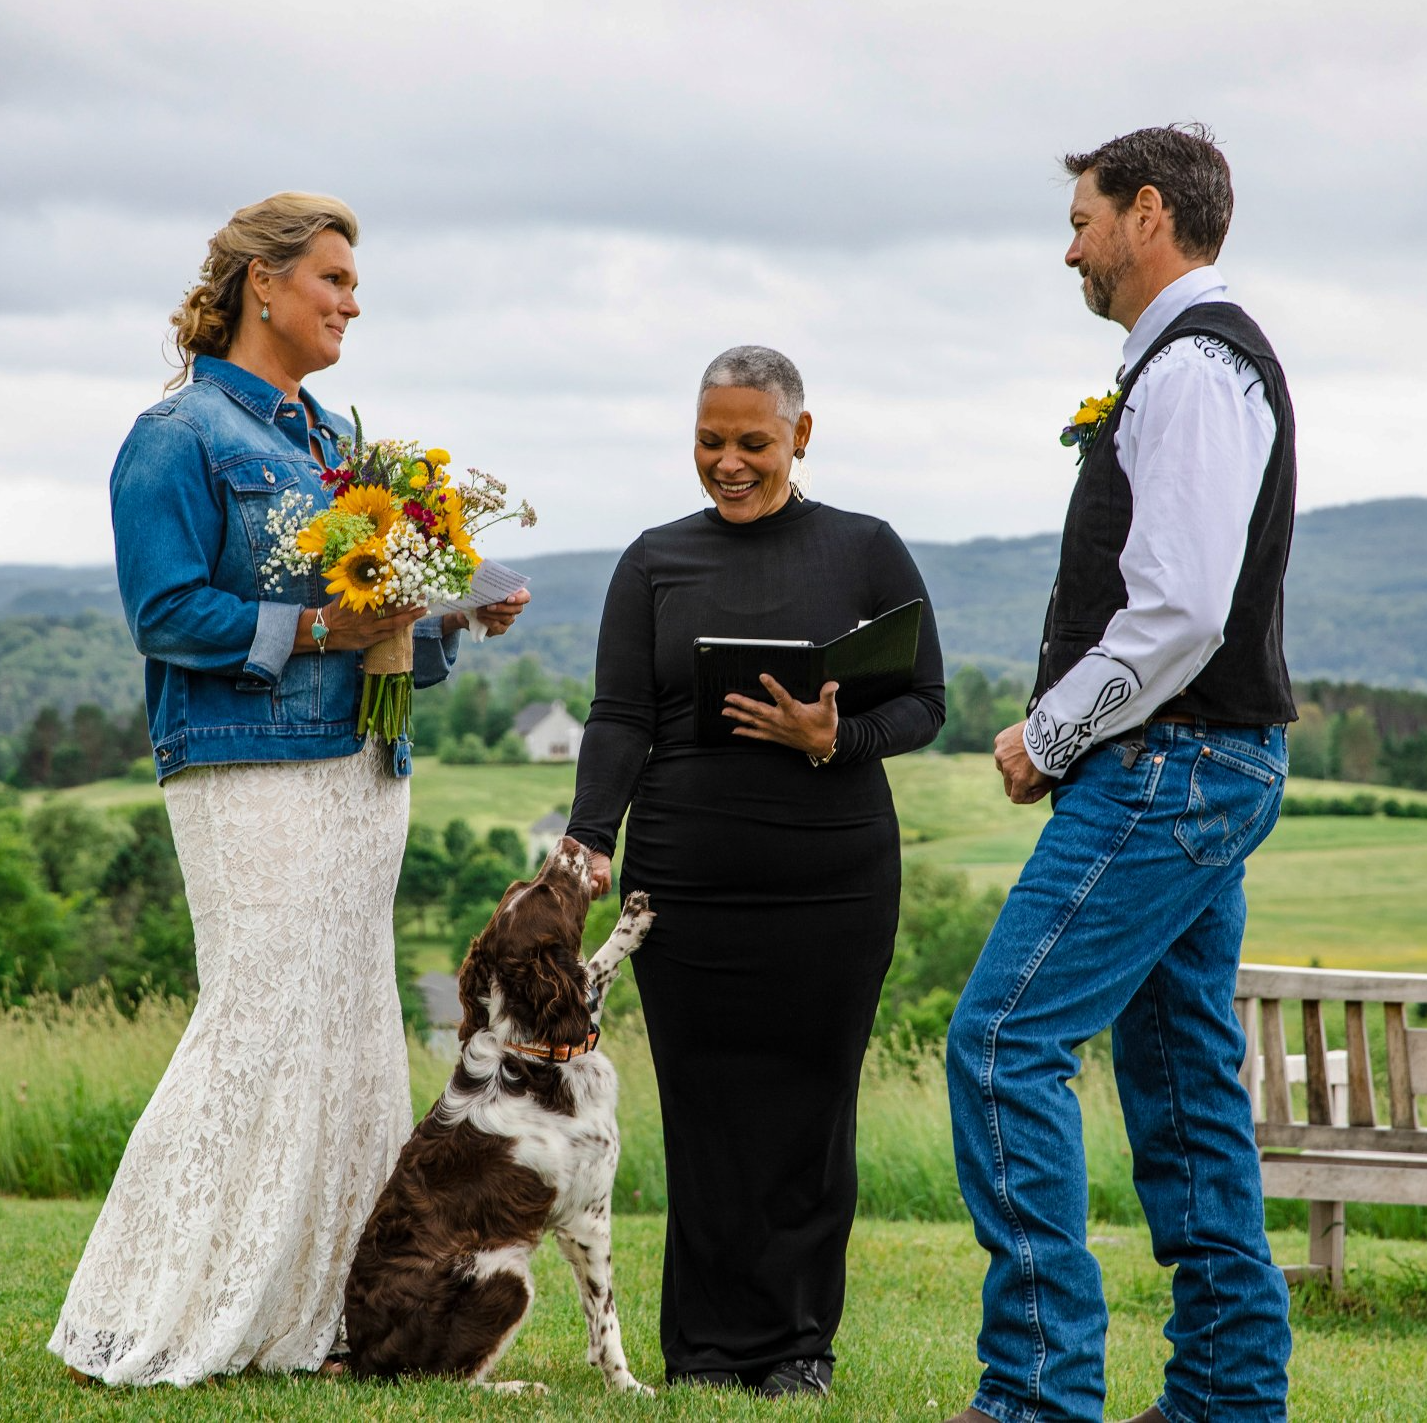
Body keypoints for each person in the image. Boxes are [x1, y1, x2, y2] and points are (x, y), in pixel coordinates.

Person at [49, 192, 528, 1387]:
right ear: (261, 284)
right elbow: (166, 612)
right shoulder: (178, 435)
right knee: (256, 1023)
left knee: (352, 1037)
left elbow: (373, 623)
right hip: (247, 773)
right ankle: (142, 1310)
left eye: (354, 287)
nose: (350, 303)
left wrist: (450, 612)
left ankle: (328, 1316)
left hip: (366, 771)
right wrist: (323, 622)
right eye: (332, 281)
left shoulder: (332, 444)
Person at [944, 125, 1296, 1423]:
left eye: (1083, 219)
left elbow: (1179, 610)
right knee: (1179, 1073)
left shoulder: (1196, 367)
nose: (1069, 247)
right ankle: (1220, 1396)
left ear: (1146, 213)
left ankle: (1035, 1396)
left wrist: (1047, 731)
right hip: (1201, 765)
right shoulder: (1182, 363)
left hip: (1167, 762)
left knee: (998, 1039)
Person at [566, 345, 945, 1397]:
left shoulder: (865, 548)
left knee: (811, 1115)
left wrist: (831, 737)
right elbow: (620, 716)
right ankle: (703, 1349)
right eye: (707, 442)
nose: (727, 463)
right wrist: (590, 834)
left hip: (832, 880)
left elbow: (923, 701)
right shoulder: (652, 561)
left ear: (800, 437)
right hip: (685, 880)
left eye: (750, 443)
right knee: (704, 1112)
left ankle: (795, 1348)